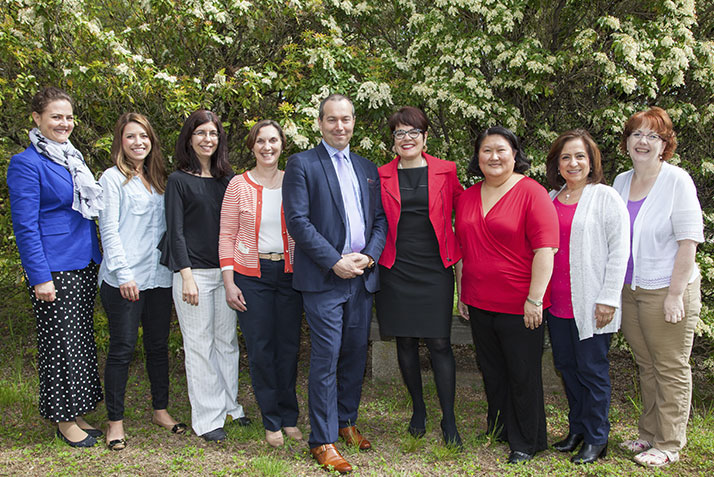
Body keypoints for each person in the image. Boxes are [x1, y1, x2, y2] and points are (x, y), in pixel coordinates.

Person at [283, 94, 387, 473]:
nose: (339, 126)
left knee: (354, 355)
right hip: (325, 279)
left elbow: (379, 222)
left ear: (354, 121)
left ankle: (345, 422)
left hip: (361, 277)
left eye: (345, 119)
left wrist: (369, 256)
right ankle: (322, 439)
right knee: (327, 357)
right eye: (331, 120)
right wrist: (334, 261)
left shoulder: (367, 168)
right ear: (320, 123)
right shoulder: (302, 164)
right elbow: (298, 221)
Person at [455, 126, 558, 464]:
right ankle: (499, 427)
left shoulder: (533, 192)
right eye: (486, 150)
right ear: (477, 157)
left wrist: (535, 298)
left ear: (515, 155)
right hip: (479, 300)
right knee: (493, 370)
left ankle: (527, 440)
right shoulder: (468, 196)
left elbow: (545, 249)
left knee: (522, 373)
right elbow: (462, 250)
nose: (494, 157)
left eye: (501, 150)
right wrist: (462, 293)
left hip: (519, 304)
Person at [7, 87, 104, 447]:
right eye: (55, 117)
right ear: (37, 119)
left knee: (78, 340)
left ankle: (75, 409)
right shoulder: (26, 164)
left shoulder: (71, 157)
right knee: (59, 343)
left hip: (83, 261)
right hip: (54, 267)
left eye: (68, 117)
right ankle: (63, 420)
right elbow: (26, 226)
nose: (64, 123)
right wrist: (39, 277)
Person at [613, 107, 704, 468]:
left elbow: (688, 240)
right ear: (627, 141)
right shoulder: (621, 181)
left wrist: (674, 294)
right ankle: (649, 433)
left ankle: (668, 443)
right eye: (637, 134)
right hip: (630, 289)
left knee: (670, 366)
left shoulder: (676, 180)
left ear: (665, 144)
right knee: (646, 365)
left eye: (654, 136)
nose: (644, 142)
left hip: (666, 289)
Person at [98, 113, 187, 451]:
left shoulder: (160, 179)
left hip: (159, 278)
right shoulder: (111, 179)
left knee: (157, 347)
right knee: (122, 349)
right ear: (120, 141)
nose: (138, 143)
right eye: (131, 136)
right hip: (125, 280)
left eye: (144, 136)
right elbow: (109, 230)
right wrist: (123, 275)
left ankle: (160, 411)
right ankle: (115, 422)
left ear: (152, 141)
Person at [160, 110, 250, 443]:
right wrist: (185, 276)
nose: (207, 139)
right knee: (199, 345)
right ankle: (208, 417)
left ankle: (230, 407)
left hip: (226, 272)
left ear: (219, 139)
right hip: (193, 273)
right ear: (189, 138)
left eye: (212, 133)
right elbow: (176, 231)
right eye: (200, 133)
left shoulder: (229, 181)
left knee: (226, 343)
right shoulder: (177, 181)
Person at [376, 107, 463, 446]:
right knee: (406, 342)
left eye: (413, 132)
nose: (406, 138)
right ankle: (418, 410)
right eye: (400, 133)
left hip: (435, 269)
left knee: (440, 342)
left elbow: (464, 214)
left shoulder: (446, 171)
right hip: (396, 269)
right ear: (393, 140)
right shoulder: (380, 175)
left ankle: (450, 419)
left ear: (425, 137)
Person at [544, 129, 629, 464]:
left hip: (592, 305)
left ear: (592, 160)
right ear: (557, 163)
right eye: (566, 157)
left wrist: (609, 297)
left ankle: (597, 437)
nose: (573, 163)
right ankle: (577, 428)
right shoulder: (552, 197)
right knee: (567, 367)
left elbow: (620, 252)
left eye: (580, 156)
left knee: (592, 370)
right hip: (557, 303)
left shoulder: (605, 197)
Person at [219, 120, 303, 448]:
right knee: (260, 348)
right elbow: (226, 235)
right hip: (251, 276)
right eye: (260, 141)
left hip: (290, 275)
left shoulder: (294, 182)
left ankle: (289, 416)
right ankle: (271, 420)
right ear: (252, 146)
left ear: (282, 145)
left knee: (288, 347)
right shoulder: (238, 185)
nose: (267, 147)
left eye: (273, 141)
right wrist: (229, 281)